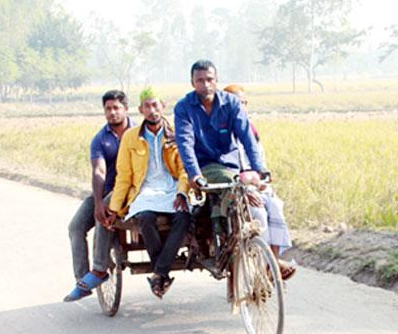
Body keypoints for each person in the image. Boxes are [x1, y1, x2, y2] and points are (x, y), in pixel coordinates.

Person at [174, 60, 295, 279]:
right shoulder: (184, 107)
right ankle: (254, 257)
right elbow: (185, 144)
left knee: (268, 204)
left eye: (209, 79)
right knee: (243, 194)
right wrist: (194, 175)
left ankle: (270, 261)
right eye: (200, 80)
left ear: (216, 80)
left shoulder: (231, 103)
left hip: (234, 166)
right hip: (206, 168)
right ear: (192, 82)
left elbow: (247, 138)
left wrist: (260, 169)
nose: (205, 84)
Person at [107, 87, 190, 298]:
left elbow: (184, 170)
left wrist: (182, 192)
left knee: (184, 216)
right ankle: (161, 271)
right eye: (147, 106)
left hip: (172, 189)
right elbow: (124, 175)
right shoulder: (130, 137)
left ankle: (158, 273)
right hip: (144, 191)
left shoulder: (176, 134)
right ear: (140, 110)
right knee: (145, 218)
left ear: (163, 106)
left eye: (155, 105)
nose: (152, 110)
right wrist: (115, 208)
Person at [64, 90, 134, 302]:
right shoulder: (101, 139)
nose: (112, 113)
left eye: (116, 108)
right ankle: (83, 279)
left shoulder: (139, 132)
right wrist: (96, 203)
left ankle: (100, 268)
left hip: (132, 190)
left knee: (104, 209)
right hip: (106, 190)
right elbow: (98, 171)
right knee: (75, 226)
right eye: (108, 109)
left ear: (125, 109)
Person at [222, 84, 296, 280]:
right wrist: (245, 189)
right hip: (234, 188)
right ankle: (264, 263)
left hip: (255, 185)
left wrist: (261, 180)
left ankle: (273, 261)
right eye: (238, 103)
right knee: (258, 213)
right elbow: (224, 168)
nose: (242, 107)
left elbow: (259, 161)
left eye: (244, 103)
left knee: (276, 206)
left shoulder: (251, 130)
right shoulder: (221, 132)